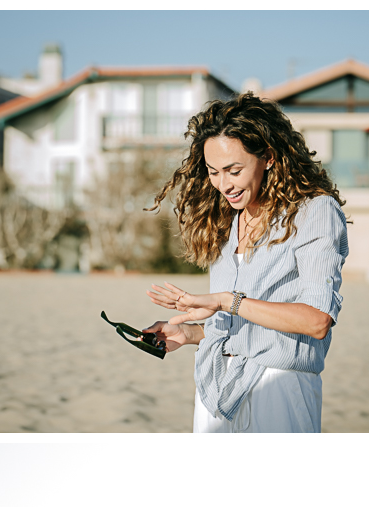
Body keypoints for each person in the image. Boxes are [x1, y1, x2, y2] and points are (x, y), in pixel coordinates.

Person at [142, 91, 349, 433]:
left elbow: (316, 321)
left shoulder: (315, 212)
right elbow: (248, 330)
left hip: (279, 387)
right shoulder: (225, 218)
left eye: (233, 170)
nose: (224, 185)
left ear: (267, 156)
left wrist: (226, 302)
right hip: (216, 390)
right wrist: (191, 334)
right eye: (213, 172)